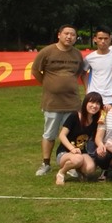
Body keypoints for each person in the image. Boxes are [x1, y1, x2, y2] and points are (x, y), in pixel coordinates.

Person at [32, 24, 85, 176]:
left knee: (71, 135)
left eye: (72, 35)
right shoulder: (47, 52)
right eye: (66, 33)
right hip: (52, 102)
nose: (69, 37)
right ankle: (46, 163)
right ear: (59, 35)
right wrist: (49, 84)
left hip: (72, 102)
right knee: (50, 134)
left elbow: (78, 72)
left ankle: (71, 164)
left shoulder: (77, 54)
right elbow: (35, 70)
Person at [55, 92, 104, 185]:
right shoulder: (74, 116)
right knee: (78, 159)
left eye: (98, 103)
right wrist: (72, 149)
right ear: (85, 103)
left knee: (90, 169)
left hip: (81, 151)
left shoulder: (96, 120)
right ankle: (61, 173)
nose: (94, 106)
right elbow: (62, 135)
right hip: (64, 152)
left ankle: (77, 169)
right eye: (92, 102)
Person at [83, 25, 112, 105]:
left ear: (110, 38)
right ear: (95, 39)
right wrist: (87, 89)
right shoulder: (89, 58)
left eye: (106, 38)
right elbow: (83, 73)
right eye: (100, 38)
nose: (103, 41)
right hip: (94, 97)